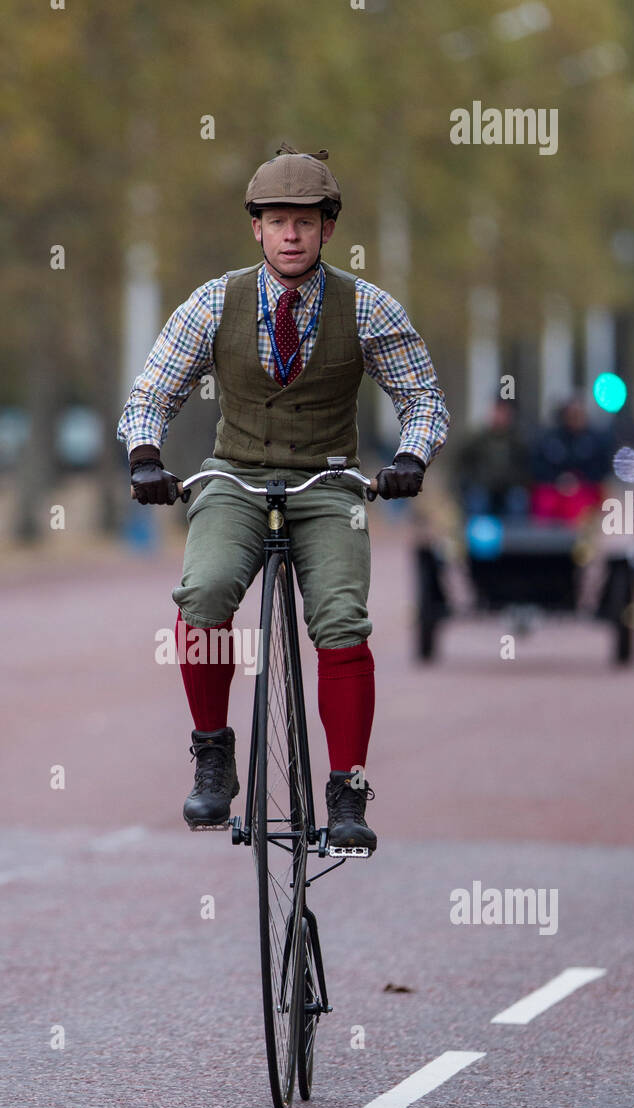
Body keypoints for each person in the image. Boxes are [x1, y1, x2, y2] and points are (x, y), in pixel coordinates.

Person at [117, 143, 449, 850]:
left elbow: (422, 397)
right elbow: (153, 389)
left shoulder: (369, 308)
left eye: (305, 220)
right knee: (203, 594)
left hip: (331, 482)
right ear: (257, 228)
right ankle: (212, 752)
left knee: (340, 618)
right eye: (276, 220)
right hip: (233, 478)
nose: (291, 234)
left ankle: (347, 789)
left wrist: (411, 456)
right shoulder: (216, 302)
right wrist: (146, 456)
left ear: (329, 227)